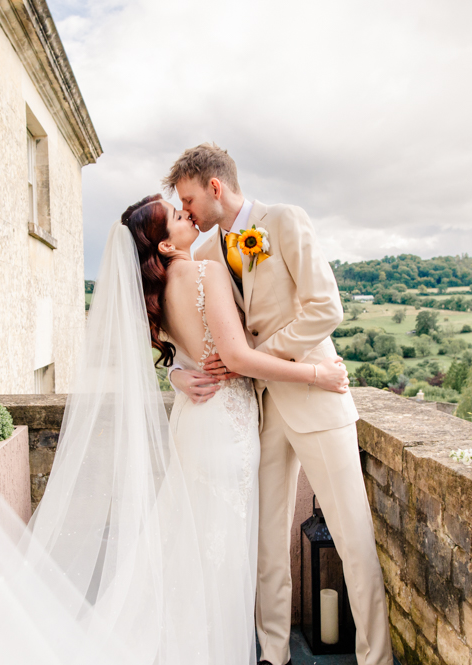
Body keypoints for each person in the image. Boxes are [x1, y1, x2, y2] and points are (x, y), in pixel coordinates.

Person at [165, 143, 392, 665]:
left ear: (214, 186)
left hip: (316, 398)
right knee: (267, 544)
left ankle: (375, 659)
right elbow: (188, 332)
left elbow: (325, 308)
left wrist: (253, 357)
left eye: (188, 198)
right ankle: (273, 654)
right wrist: (179, 373)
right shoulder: (201, 257)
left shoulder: (285, 221)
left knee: (354, 543)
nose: (187, 210)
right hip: (259, 414)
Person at [119, 194, 348, 664]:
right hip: (225, 422)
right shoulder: (206, 272)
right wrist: (316, 374)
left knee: (191, 541)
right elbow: (239, 359)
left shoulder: (156, 295)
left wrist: (175, 374)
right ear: (164, 246)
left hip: (193, 419)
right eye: (176, 216)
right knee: (221, 549)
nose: (187, 214)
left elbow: (183, 356)